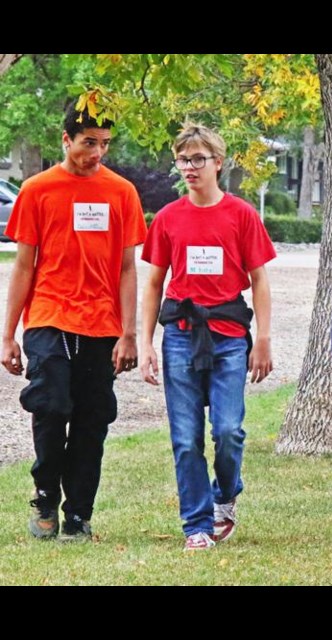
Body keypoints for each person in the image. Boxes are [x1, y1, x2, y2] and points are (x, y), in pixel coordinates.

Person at [2, 101, 146, 541]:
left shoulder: (122, 192)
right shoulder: (38, 190)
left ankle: (78, 515)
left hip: (102, 326)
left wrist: (129, 333)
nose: (97, 152)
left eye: (104, 143)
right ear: (66, 140)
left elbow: (126, 269)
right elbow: (24, 266)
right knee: (51, 407)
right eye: (88, 143)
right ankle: (45, 497)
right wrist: (7, 335)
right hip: (49, 317)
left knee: (91, 419)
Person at [139, 124, 275, 551]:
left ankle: (225, 495)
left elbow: (259, 280)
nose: (190, 167)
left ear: (219, 162)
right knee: (185, 438)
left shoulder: (241, 215)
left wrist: (265, 339)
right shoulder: (167, 218)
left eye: (198, 159)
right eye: (183, 159)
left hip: (229, 337)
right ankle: (196, 524)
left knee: (230, 430)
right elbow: (153, 283)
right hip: (180, 335)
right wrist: (145, 343)